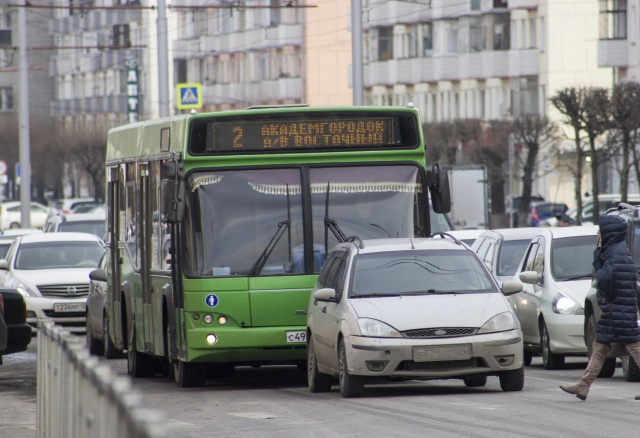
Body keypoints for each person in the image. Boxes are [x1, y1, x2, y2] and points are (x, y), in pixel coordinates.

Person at [559, 214, 640, 401]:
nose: (598, 234)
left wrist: (597, 258)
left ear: (608, 233)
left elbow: (603, 280)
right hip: (618, 308)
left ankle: (583, 385)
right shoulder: (617, 251)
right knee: (600, 347)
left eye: (600, 231)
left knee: (633, 348)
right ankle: (583, 386)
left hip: (618, 309)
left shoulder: (614, 253)